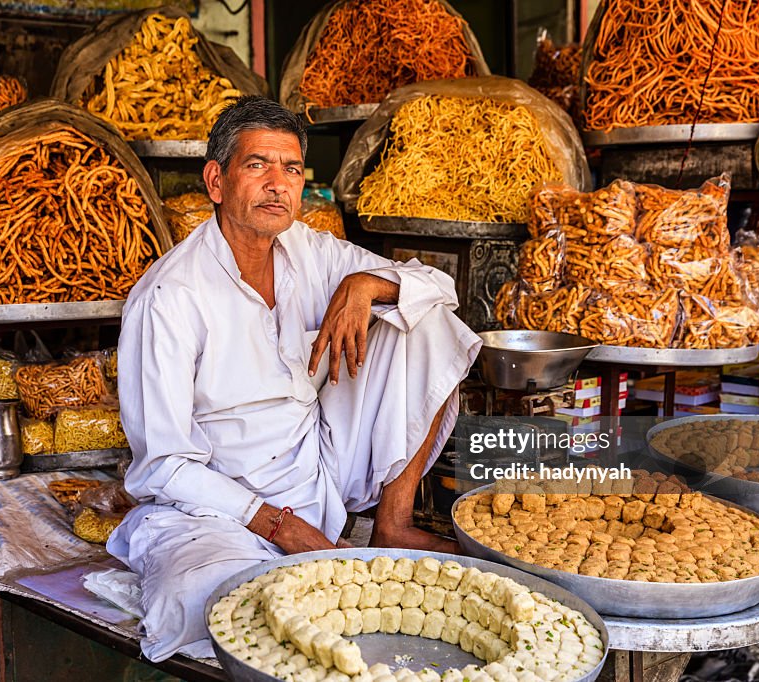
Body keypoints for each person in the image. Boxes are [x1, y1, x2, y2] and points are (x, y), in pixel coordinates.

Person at [108, 96, 481, 661]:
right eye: (258, 165)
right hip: (217, 502)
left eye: (291, 168)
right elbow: (164, 461)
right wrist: (276, 523)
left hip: (321, 466)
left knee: (426, 322)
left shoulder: (310, 250)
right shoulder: (169, 296)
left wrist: (365, 287)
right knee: (211, 603)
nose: (277, 184)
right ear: (216, 180)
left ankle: (394, 524)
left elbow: (438, 285)